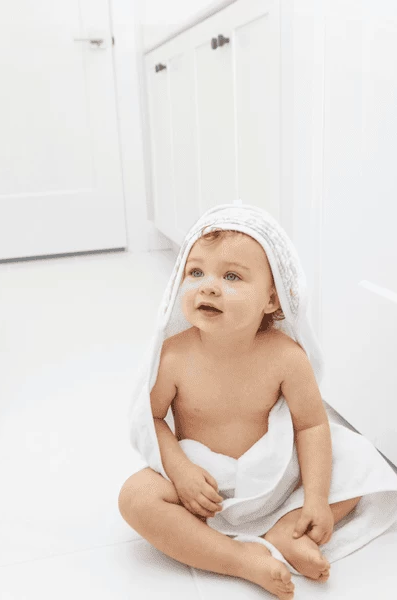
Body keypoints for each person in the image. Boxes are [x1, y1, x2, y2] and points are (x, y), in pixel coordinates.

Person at [118, 226, 362, 599]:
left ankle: (288, 529)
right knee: (135, 496)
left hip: (275, 477)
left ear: (272, 299)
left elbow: (311, 426)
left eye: (231, 276)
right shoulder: (174, 356)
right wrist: (180, 471)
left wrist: (315, 498)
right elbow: (150, 420)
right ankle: (240, 559)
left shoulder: (286, 357)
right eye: (196, 272)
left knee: (357, 459)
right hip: (203, 488)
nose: (208, 286)